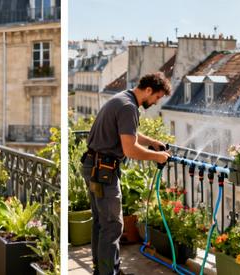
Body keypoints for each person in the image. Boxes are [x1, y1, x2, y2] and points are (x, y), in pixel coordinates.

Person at [81, 72, 173, 275]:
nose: (156, 102)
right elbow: (130, 149)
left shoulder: (123, 98)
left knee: (101, 223)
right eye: (157, 97)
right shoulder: (129, 107)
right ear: (148, 90)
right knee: (113, 225)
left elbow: (128, 131)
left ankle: (103, 269)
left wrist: (152, 143)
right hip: (103, 171)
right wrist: (158, 157)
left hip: (93, 165)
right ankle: (108, 272)